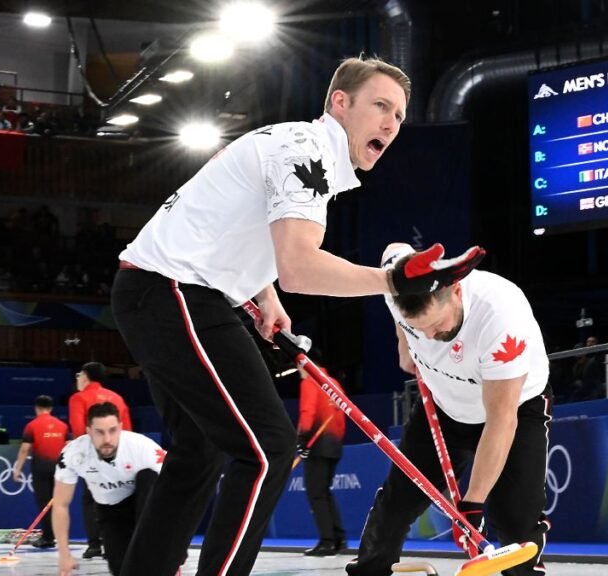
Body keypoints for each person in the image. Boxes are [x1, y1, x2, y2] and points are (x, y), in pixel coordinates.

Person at [111, 56, 484, 576]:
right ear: (339, 103)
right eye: (380, 106)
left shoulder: (297, 149)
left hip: (159, 292)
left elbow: (254, 237)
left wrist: (266, 299)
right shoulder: (305, 154)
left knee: (200, 451)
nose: (391, 124)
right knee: (267, 450)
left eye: (398, 116)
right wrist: (392, 281)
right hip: (176, 291)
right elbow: (301, 267)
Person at [345, 243, 550, 576]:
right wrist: (403, 341)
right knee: (398, 501)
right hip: (444, 407)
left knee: (515, 516)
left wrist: (471, 505)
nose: (429, 336)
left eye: (437, 326)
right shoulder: (397, 287)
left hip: (513, 407)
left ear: (455, 290)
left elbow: (501, 419)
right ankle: (369, 570)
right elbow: (394, 249)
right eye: (418, 328)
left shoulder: (500, 316)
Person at [53, 402, 165, 576]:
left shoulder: (143, 448)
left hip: (144, 501)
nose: (107, 439)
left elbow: (176, 489)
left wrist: (176, 539)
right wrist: (64, 554)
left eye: (112, 431)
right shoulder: (73, 454)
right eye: (99, 432)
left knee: (148, 476)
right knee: (121, 568)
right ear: (88, 430)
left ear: (120, 428)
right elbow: (60, 504)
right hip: (110, 508)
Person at [68, 361, 132, 559]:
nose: (77, 379)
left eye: (79, 375)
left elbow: (80, 431)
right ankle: (117, 544)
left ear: (85, 376)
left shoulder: (79, 398)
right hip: (120, 453)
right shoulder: (117, 398)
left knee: (92, 499)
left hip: (94, 455)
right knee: (120, 499)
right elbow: (127, 429)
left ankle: (95, 544)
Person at [296, 350, 347, 556]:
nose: (298, 370)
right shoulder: (333, 382)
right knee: (324, 492)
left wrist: (302, 440)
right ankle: (339, 539)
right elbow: (343, 414)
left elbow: (307, 413)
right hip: (334, 444)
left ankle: (327, 542)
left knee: (316, 493)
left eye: (299, 365)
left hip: (317, 443)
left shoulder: (310, 382)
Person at [12, 395, 69, 548]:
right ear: (51, 409)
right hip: (60, 470)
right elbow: (70, 447)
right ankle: (60, 536)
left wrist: (17, 469)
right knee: (60, 504)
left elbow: (24, 450)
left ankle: (48, 537)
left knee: (44, 503)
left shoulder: (32, 425)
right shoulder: (62, 426)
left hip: (41, 469)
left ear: (36, 408)